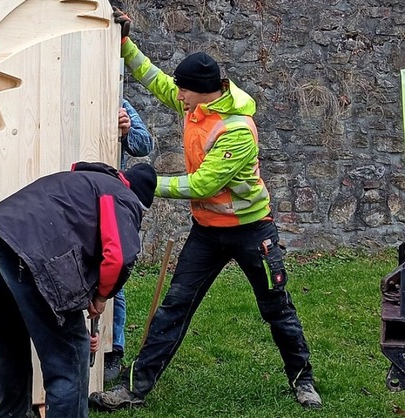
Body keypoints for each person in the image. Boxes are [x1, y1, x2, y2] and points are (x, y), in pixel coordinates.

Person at [89, 10, 322, 411]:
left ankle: (304, 382)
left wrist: (142, 182)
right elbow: (155, 78)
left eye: (183, 91)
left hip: (253, 233)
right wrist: (124, 44)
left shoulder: (236, 128)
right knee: (174, 307)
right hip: (207, 231)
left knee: (277, 308)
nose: (175, 96)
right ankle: (134, 390)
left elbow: (203, 185)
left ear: (201, 91)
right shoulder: (195, 105)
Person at [0, 161, 157, 418]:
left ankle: (12, 414)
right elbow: (118, 256)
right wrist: (101, 297)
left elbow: (76, 241)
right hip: (29, 252)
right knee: (70, 357)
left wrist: (87, 297)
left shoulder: (84, 183)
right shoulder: (121, 196)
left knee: (11, 344)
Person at [106, 100, 155, 383]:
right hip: (74, 199)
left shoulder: (118, 100)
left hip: (112, 200)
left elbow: (144, 145)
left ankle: (113, 349)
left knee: (115, 274)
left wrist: (125, 132)